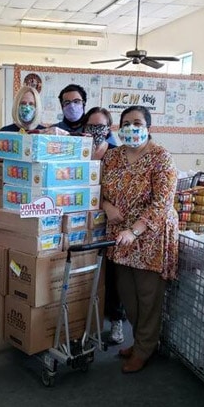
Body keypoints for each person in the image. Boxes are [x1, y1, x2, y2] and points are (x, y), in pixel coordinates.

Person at [101, 106, 179, 373]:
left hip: (150, 238)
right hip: (119, 239)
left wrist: (134, 230)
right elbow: (96, 188)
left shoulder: (161, 158)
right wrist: (106, 206)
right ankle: (141, 342)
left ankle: (144, 349)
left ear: (148, 127)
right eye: (126, 123)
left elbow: (162, 203)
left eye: (137, 123)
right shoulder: (112, 158)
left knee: (148, 297)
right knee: (127, 295)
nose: (131, 128)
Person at [83, 107, 125, 344]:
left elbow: (120, 193)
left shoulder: (116, 154)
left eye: (100, 127)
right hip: (82, 220)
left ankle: (116, 319)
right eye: (91, 126)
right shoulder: (79, 151)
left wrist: (106, 205)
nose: (95, 131)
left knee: (112, 273)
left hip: (109, 221)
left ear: (109, 129)